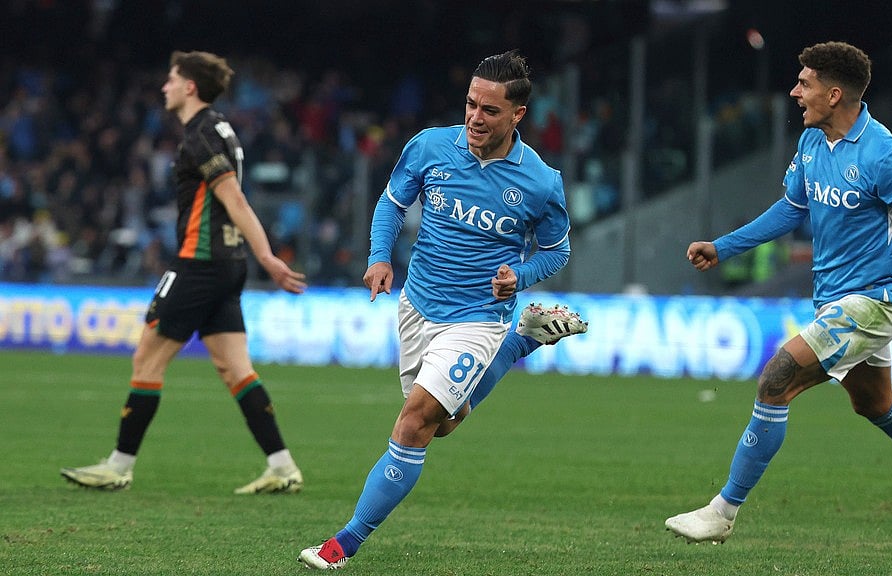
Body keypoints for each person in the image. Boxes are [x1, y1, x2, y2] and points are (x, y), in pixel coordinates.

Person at [667, 41, 892, 544]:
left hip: (873, 301)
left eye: (804, 83)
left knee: (776, 379)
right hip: (834, 300)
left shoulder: (888, 156)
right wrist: (724, 248)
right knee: (874, 404)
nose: (794, 92)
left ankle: (722, 511)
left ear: (834, 94)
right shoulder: (812, 143)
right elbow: (793, 209)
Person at [297, 50, 580, 570]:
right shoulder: (429, 146)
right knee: (441, 426)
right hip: (417, 305)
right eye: (471, 104)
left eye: (490, 110)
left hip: (477, 319)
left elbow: (558, 249)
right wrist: (380, 257)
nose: (475, 117)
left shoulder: (541, 182)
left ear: (517, 115)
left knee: (413, 423)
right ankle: (526, 340)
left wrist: (521, 276)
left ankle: (343, 544)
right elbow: (391, 203)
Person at [60, 51, 308, 494]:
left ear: (190, 86)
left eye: (171, 79)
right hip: (227, 266)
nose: (164, 87)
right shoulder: (222, 129)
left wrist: (268, 257)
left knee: (147, 358)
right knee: (236, 369)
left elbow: (234, 199)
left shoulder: (201, 136)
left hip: (200, 264)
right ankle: (283, 466)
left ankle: (118, 465)